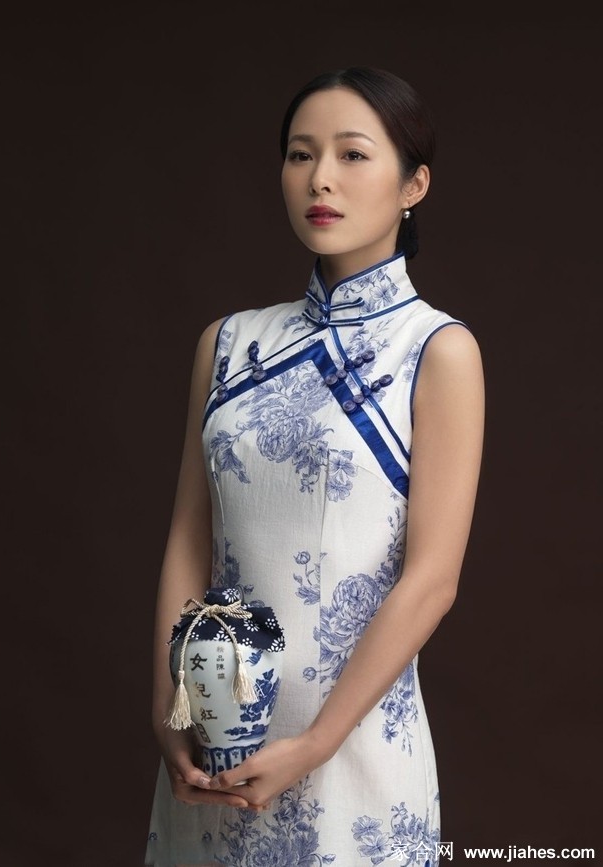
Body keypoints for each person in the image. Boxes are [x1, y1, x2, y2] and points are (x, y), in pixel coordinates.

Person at [145, 66, 485, 867]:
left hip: (352, 749)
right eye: (301, 154)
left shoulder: (435, 351)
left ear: (414, 184)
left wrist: (316, 742)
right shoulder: (228, 343)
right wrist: (169, 707)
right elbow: (190, 538)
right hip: (216, 741)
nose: (319, 178)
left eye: (352, 154)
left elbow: (432, 578)